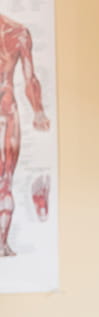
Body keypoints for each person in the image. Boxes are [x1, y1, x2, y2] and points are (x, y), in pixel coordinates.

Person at [0, 13, 50, 256]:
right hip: (5, 109)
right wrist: (38, 112)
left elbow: (30, 80)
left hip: (6, 109)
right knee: (4, 181)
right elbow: (29, 80)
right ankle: (1, 244)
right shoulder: (17, 33)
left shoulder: (19, 32)